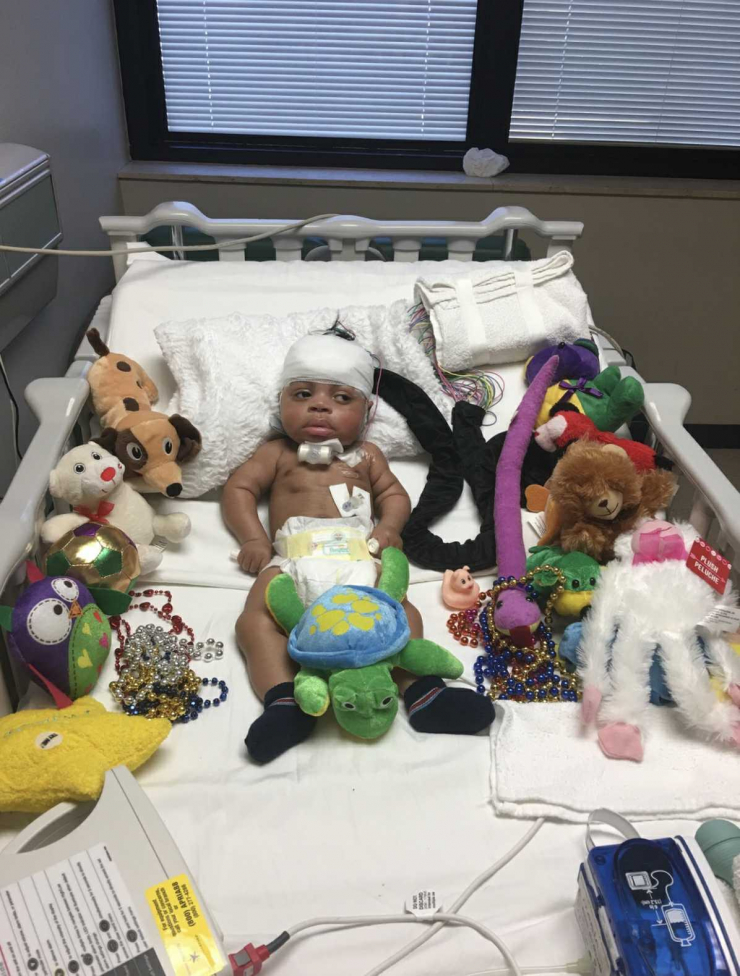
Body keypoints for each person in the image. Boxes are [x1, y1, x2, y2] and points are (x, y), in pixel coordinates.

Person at [223, 331, 493, 762]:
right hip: (292, 558)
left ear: (366, 413)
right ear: (280, 403)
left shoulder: (367, 455)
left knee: (400, 610)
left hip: (358, 557)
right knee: (255, 620)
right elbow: (238, 488)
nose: (320, 405)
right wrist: (253, 538)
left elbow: (395, 496)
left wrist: (389, 529)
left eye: (342, 398)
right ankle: (283, 701)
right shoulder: (276, 453)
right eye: (303, 393)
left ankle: (423, 694)